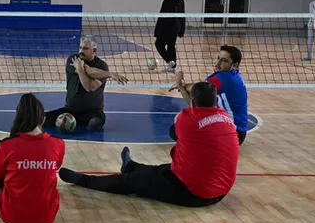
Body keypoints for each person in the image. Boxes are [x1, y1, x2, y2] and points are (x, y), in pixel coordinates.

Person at [58, 82, 239, 207]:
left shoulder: (187, 119)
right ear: (216, 101)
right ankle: (131, 166)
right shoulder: (226, 119)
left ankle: (84, 180)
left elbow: (174, 133)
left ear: (192, 102)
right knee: (163, 170)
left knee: (130, 182)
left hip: (195, 193)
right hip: (221, 191)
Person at [0, 93, 66, 223]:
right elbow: (56, 166)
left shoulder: (7, 145)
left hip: (11, 216)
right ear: (43, 120)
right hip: (47, 216)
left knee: (0, 165)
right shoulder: (58, 144)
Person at [45, 35, 128, 132]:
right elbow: (89, 71)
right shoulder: (73, 59)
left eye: (85, 48)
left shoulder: (102, 66)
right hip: (71, 110)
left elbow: (89, 87)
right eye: (80, 47)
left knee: (93, 125)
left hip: (93, 113)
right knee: (41, 119)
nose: (81, 51)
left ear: (94, 50)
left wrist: (80, 68)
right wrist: (110, 74)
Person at [172, 45, 248, 145]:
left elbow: (197, 88)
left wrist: (181, 84)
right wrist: (181, 87)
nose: (218, 63)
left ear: (235, 65)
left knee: (179, 128)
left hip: (234, 132)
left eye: (224, 60)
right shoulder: (230, 75)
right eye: (218, 58)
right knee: (179, 128)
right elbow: (194, 101)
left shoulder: (225, 78)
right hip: (231, 130)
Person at [154, 0, 186, 73]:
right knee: (171, 45)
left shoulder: (167, 0)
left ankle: (170, 62)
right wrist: (182, 30)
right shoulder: (181, 0)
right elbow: (183, 16)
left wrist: (157, 31)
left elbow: (162, 17)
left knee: (159, 44)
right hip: (176, 28)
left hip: (167, 28)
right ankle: (172, 66)